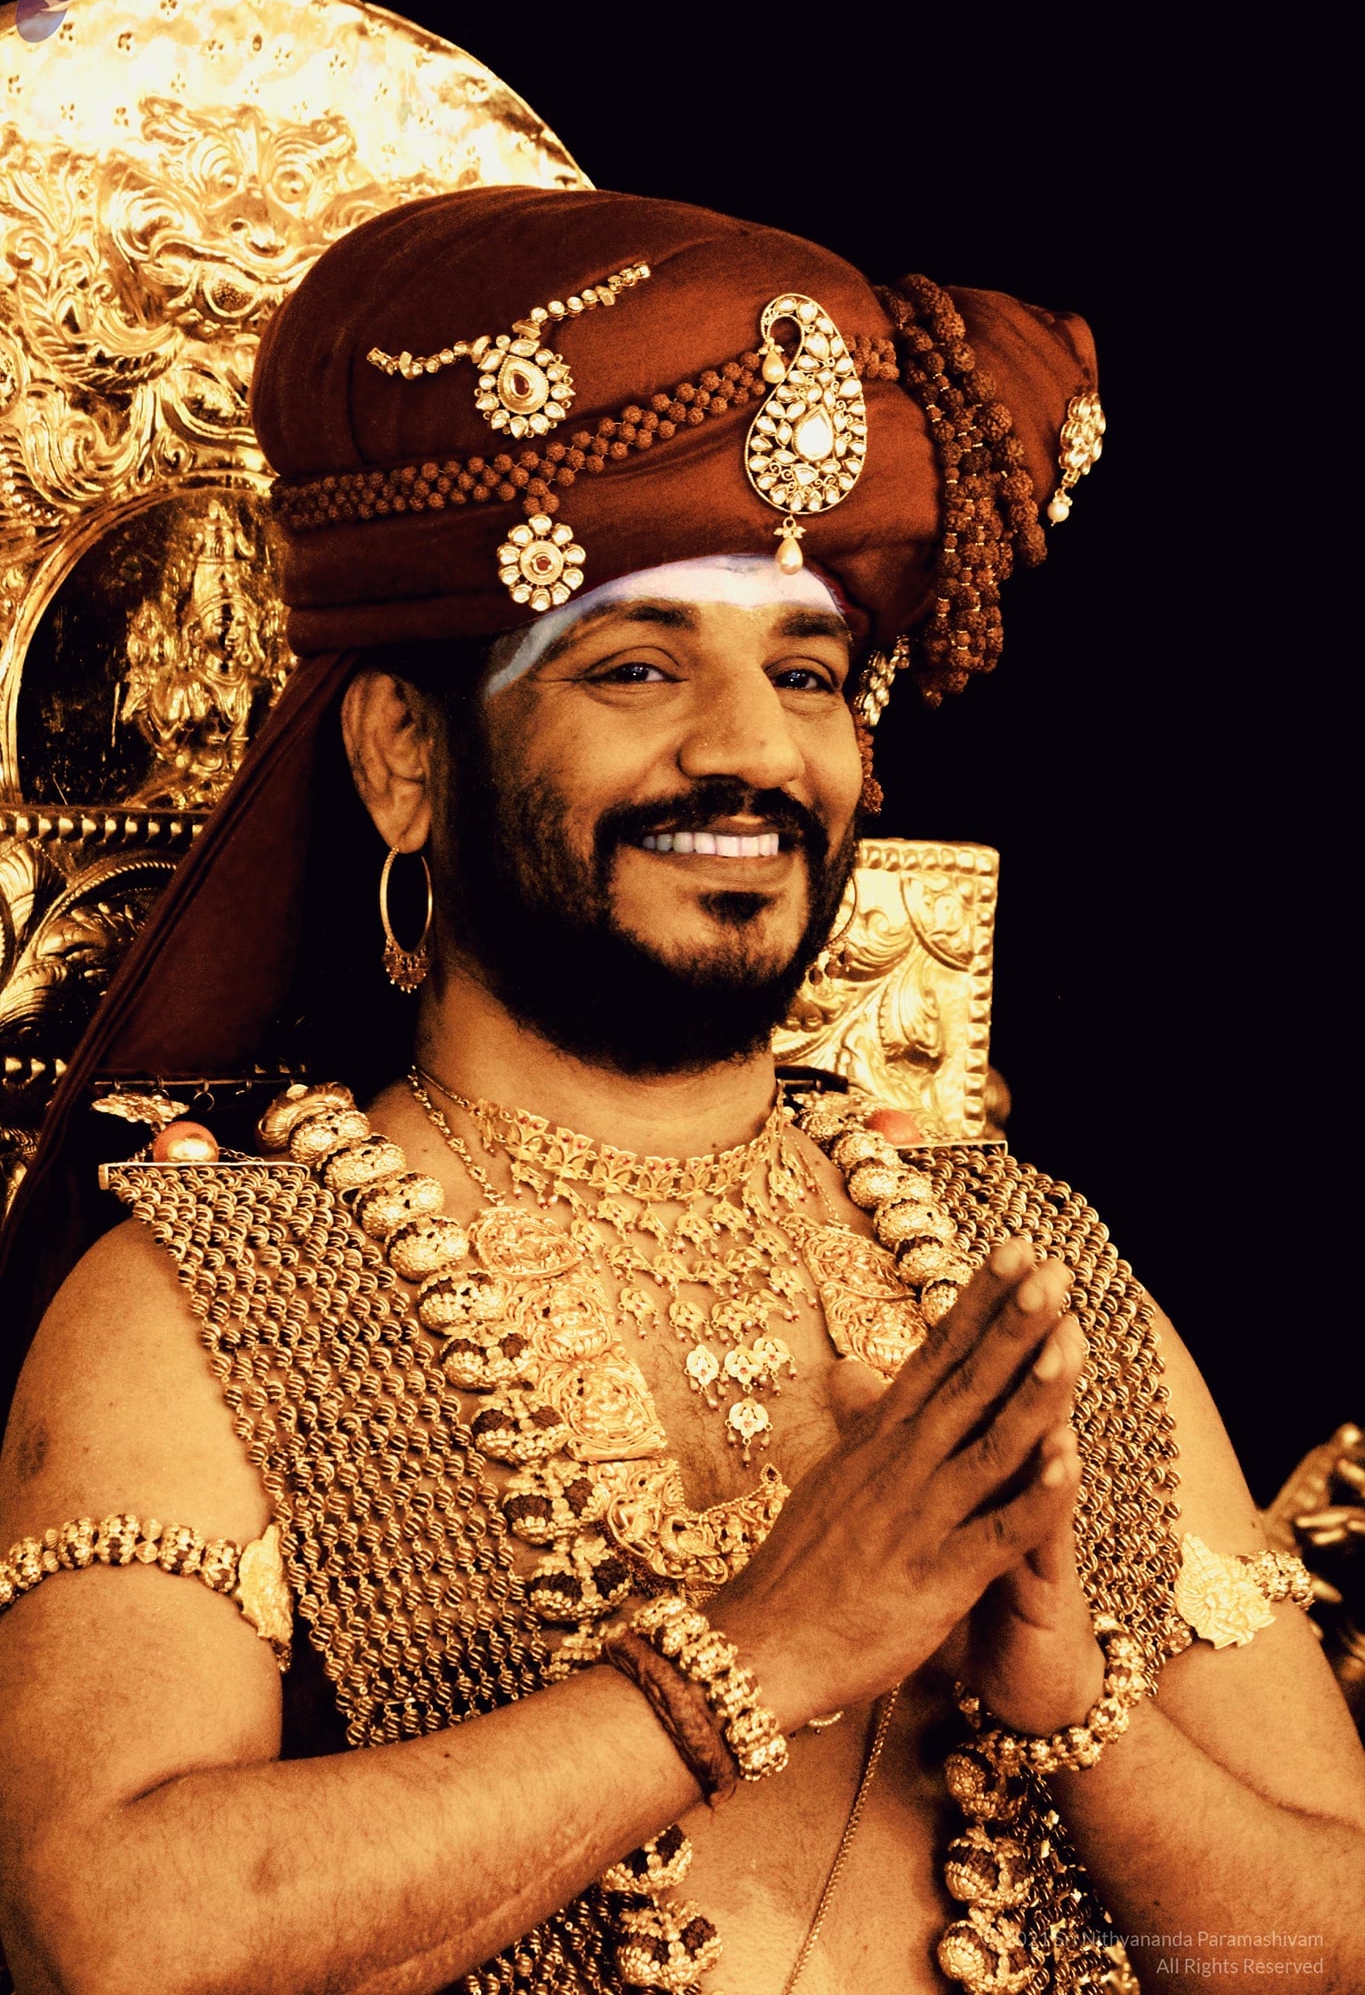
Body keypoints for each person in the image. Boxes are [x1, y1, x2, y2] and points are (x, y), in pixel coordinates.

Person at [0, 187, 1361, 1995]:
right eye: (637, 668)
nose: (749, 749)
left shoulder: (1023, 1270)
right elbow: (117, 1943)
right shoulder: (216, 1296)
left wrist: (1076, 1720)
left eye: (806, 673)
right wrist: (765, 1651)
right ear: (403, 757)